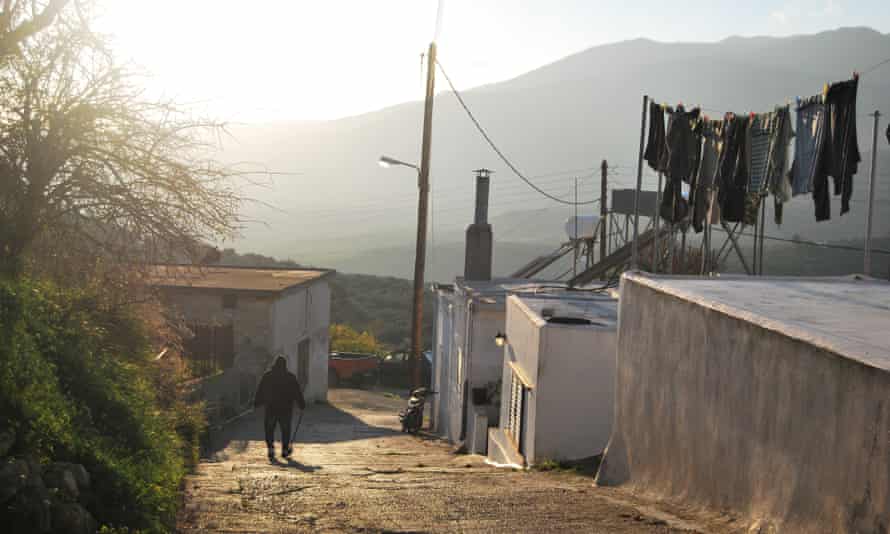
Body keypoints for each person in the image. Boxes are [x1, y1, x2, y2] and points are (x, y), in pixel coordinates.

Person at [254, 355, 306, 460]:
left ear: (275, 364)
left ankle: (271, 449)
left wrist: (257, 403)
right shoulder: (290, 377)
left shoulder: (267, 376)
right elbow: (297, 392)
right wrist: (301, 404)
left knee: (269, 430)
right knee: (285, 430)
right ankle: (285, 450)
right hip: (285, 410)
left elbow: (260, 390)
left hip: (271, 409)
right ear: (285, 365)